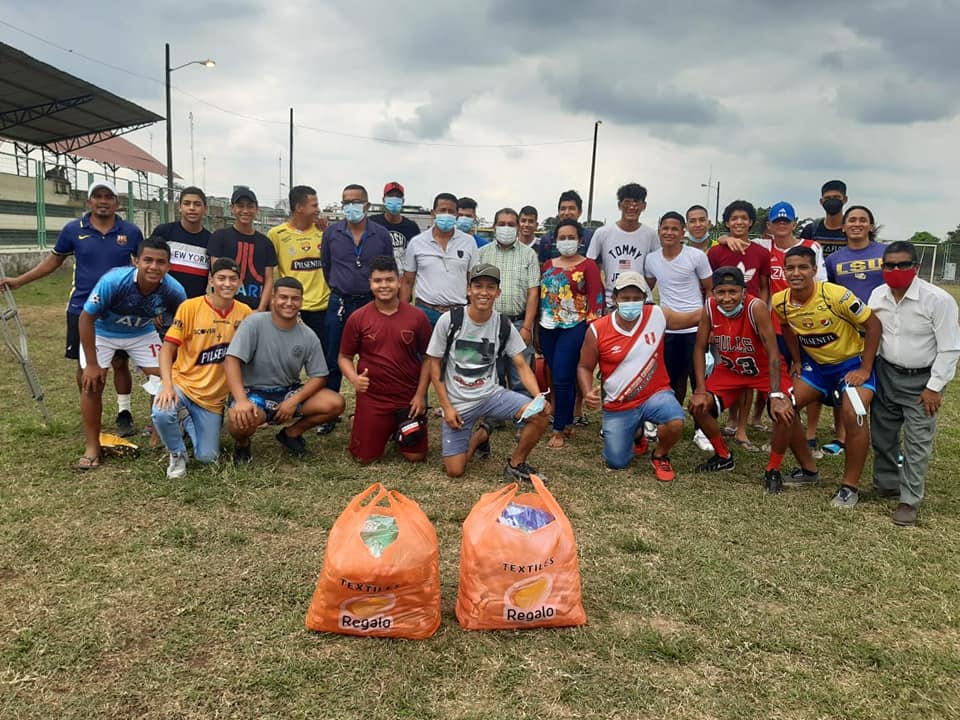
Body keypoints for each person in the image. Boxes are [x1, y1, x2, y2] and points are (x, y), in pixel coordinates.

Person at [1, 180, 145, 436]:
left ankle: (124, 413)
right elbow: (53, 261)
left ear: (117, 203)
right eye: (97, 196)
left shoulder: (131, 232)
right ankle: (91, 413)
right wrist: (19, 281)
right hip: (82, 308)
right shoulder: (72, 230)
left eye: (108, 197)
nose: (103, 201)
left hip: (119, 309)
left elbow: (144, 266)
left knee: (120, 362)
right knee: (86, 365)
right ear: (89, 202)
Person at [688, 267, 817, 493]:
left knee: (784, 411)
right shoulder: (709, 307)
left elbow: (773, 352)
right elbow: (699, 347)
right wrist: (699, 388)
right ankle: (723, 456)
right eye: (721, 292)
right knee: (698, 405)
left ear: (744, 291)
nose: (726, 298)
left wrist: (776, 394)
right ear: (714, 293)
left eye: (733, 291)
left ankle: (773, 469)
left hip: (764, 370)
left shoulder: (755, 307)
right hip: (731, 370)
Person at [773, 246, 881, 508]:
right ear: (784, 271)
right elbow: (786, 328)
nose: (796, 273)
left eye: (802, 267)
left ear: (814, 270)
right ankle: (809, 471)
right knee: (783, 407)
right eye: (790, 268)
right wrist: (797, 360)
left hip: (851, 365)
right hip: (817, 368)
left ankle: (849, 487)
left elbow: (874, 325)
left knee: (854, 414)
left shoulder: (836, 295)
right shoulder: (780, 301)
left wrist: (865, 369)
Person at [426, 263, 550, 480]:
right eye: (478, 286)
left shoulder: (502, 324)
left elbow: (521, 365)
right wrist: (447, 407)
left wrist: (538, 397)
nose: (484, 292)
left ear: (498, 292)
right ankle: (481, 435)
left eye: (490, 287)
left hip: (491, 395)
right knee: (455, 471)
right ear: (468, 289)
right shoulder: (450, 320)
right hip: (458, 403)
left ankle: (516, 463)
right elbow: (434, 364)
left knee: (540, 414)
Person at [868, 242, 960, 526]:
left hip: (922, 380)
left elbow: (950, 347)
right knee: (883, 435)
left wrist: (934, 387)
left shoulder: (938, 300)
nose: (895, 270)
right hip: (886, 373)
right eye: (889, 265)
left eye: (903, 264)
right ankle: (887, 483)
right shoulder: (878, 295)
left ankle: (909, 500)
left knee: (917, 441)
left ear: (916, 267)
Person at [76, 237, 187, 470]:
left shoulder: (175, 290)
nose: (153, 267)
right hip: (103, 332)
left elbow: (184, 323)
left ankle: (159, 432)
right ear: (136, 261)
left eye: (160, 262)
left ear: (169, 266)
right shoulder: (114, 281)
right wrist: (92, 365)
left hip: (141, 332)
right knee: (92, 383)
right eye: (148, 260)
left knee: (164, 377)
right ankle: (92, 445)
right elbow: (86, 319)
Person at [576, 272, 685, 482]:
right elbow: (584, 366)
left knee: (675, 421)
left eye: (636, 298)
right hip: (619, 404)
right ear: (615, 298)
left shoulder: (656, 315)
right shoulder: (598, 329)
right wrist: (587, 391)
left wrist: (716, 306)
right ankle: (637, 434)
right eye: (625, 298)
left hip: (655, 394)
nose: (631, 303)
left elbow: (693, 318)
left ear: (644, 298)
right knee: (617, 462)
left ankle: (660, 455)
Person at [224, 277, 345, 463]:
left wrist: (293, 401)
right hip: (253, 392)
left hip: (287, 392)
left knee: (335, 403)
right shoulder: (253, 323)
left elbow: (319, 376)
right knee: (239, 420)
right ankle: (242, 444)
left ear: (301, 302)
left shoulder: (308, 335)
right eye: (283, 297)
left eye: (295, 298)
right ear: (273, 298)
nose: (289, 303)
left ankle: (291, 434)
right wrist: (241, 400)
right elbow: (231, 360)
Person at [151, 257, 252, 478]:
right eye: (221, 278)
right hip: (183, 385)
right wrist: (167, 386)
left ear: (239, 282)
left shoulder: (245, 312)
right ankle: (177, 454)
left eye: (233, 279)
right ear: (211, 280)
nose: (227, 284)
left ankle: (186, 418)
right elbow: (167, 350)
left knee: (208, 458)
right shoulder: (190, 307)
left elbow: (262, 335)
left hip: (212, 399)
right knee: (162, 411)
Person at [338, 255, 433, 464]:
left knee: (416, 456)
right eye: (378, 281)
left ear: (399, 282)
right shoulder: (358, 318)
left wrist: (420, 395)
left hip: (407, 398)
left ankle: (394, 426)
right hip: (374, 398)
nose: (384, 285)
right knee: (365, 458)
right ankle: (361, 421)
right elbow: (344, 356)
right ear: (370, 283)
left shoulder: (417, 317)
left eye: (389, 280)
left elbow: (428, 358)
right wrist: (354, 378)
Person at [319, 183, 393, 424]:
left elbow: (387, 267)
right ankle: (328, 413)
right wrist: (340, 286)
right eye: (346, 202)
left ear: (367, 205)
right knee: (333, 356)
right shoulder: (332, 233)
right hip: (340, 302)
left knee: (374, 358)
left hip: (370, 303)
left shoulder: (380, 234)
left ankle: (373, 410)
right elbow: (327, 266)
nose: (350, 206)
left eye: (356, 202)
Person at [816, 205, 886, 456]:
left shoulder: (885, 252)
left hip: (882, 328)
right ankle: (841, 437)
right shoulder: (834, 260)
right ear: (844, 227)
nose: (857, 224)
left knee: (882, 389)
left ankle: (885, 442)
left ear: (871, 225)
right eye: (852, 220)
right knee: (844, 381)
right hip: (848, 332)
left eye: (862, 220)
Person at [764, 201, 828, 458]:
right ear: (769, 225)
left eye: (786, 221)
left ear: (794, 223)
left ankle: (810, 434)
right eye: (776, 221)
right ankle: (780, 431)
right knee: (780, 380)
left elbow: (821, 283)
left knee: (811, 379)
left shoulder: (811, 247)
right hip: (777, 326)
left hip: (806, 325)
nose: (781, 225)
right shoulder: (764, 246)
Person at [706, 200, 772, 449]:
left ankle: (742, 427)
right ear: (727, 222)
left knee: (747, 372)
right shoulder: (716, 252)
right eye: (734, 218)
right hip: (723, 320)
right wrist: (712, 324)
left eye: (744, 218)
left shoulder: (761, 253)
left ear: (751, 222)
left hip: (749, 320)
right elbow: (709, 289)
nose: (739, 222)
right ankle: (731, 419)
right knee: (727, 369)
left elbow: (764, 287)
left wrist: (760, 316)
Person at [538, 219, 604, 448]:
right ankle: (566, 421)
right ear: (555, 241)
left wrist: (590, 330)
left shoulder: (589, 266)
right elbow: (542, 297)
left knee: (562, 376)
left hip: (574, 327)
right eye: (562, 238)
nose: (566, 242)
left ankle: (558, 429)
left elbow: (596, 299)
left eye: (571, 237)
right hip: (547, 328)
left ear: (580, 240)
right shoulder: (548, 265)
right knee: (559, 375)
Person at [644, 212, 712, 406]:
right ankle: (674, 415)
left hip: (696, 328)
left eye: (674, 229)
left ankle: (703, 422)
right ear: (659, 231)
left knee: (699, 380)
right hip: (669, 329)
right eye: (665, 228)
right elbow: (647, 289)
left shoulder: (696, 256)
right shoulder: (651, 259)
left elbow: (710, 290)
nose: (669, 232)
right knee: (673, 380)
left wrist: (710, 325)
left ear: (683, 232)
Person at [478, 208, 540, 392]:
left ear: (518, 227)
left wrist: (527, 327)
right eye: (502, 224)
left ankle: (523, 410)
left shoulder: (529, 255)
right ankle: (494, 412)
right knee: (491, 375)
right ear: (494, 227)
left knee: (520, 377)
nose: (506, 228)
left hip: (519, 323)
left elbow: (533, 293)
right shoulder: (481, 254)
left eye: (511, 224)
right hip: (488, 323)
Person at [402, 193, 479, 326]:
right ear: (433, 213)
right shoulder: (417, 242)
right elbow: (408, 281)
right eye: (442, 210)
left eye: (451, 211)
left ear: (456, 215)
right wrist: (402, 314)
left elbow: (472, 279)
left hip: (457, 312)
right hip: (425, 311)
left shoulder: (468, 242)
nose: (446, 215)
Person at [267, 185, 330, 342]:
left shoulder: (324, 231)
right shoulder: (276, 234)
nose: (318, 210)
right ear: (299, 207)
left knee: (321, 355)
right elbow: (270, 275)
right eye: (314, 205)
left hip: (322, 308)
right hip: (292, 307)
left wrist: (327, 230)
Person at [587, 183, 660, 310]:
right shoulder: (603, 233)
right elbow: (590, 265)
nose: (632, 206)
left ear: (644, 206)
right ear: (619, 205)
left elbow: (655, 268)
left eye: (637, 202)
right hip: (612, 301)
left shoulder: (650, 234)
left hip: (642, 301)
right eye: (627, 202)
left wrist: (642, 290)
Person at [208, 187, 276, 311]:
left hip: (255, 309)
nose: (245, 211)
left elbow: (269, 280)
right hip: (226, 310)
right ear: (232, 208)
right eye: (240, 206)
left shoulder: (266, 243)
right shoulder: (220, 237)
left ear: (257, 210)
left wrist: (260, 310)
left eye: (250, 206)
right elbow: (217, 273)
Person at [150, 186, 211, 299]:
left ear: (205, 209)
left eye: (197, 204)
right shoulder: (164, 232)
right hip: (164, 303)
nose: (192, 208)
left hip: (194, 305)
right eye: (187, 203)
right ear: (179, 207)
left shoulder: (211, 240)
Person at [368, 181, 422, 269]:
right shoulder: (372, 223)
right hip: (378, 272)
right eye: (390, 196)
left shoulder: (412, 227)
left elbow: (417, 255)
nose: (394, 199)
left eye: (398, 196)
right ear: (383, 200)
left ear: (403, 201)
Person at [538, 190, 593, 263]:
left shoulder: (589, 237)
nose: (566, 213)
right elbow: (543, 266)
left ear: (580, 212)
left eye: (571, 208)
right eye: (563, 209)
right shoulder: (547, 239)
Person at [799, 179, 848, 257]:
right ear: (821, 202)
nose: (832, 201)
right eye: (827, 198)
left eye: (836, 197)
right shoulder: (811, 231)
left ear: (845, 199)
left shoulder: (852, 229)